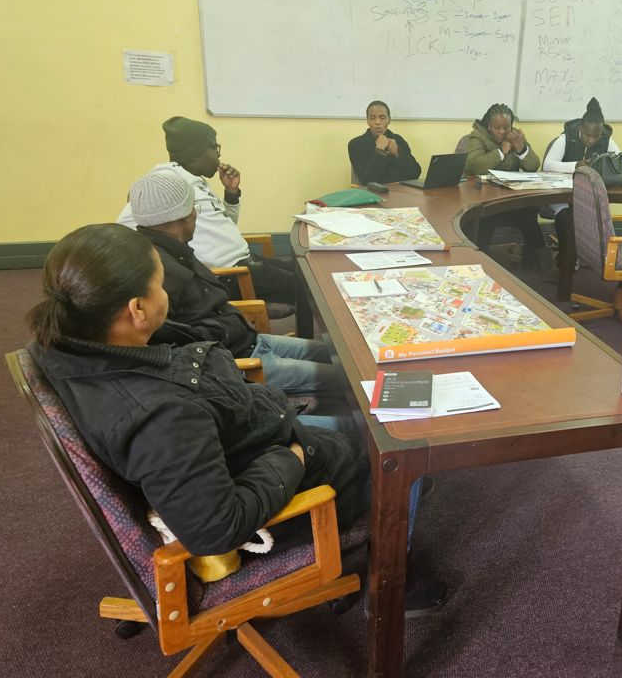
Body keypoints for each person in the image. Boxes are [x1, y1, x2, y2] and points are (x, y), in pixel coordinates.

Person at [27, 224, 446, 614]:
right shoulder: (160, 418)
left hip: (249, 441)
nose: (166, 294)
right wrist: (293, 457)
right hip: (282, 484)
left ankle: (395, 490)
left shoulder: (77, 344)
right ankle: (392, 586)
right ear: (136, 308)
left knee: (367, 426)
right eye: (160, 286)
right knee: (401, 452)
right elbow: (216, 528)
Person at [126, 170, 342, 398]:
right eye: (195, 208)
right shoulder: (161, 273)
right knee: (345, 378)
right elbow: (184, 344)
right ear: (185, 215)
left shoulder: (168, 250)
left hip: (251, 341)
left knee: (336, 354)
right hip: (239, 361)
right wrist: (229, 328)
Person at [118, 116, 296, 310]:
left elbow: (224, 226)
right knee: (307, 288)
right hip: (230, 276)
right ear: (195, 153)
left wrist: (231, 193)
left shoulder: (194, 181)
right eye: (214, 148)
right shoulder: (167, 185)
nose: (218, 156)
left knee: (303, 271)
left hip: (245, 261)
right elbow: (126, 227)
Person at [463, 103, 556, 278]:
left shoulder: (515, 137)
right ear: (488, 126)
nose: (502, 132)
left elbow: (533, 166)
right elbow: (474, 165)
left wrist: (522, 148)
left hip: (510, 197)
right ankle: (480, 264)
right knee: (486, 215)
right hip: (484, 198)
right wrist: (501, 152)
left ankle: (541, 263)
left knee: (529, 212)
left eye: (506, 127)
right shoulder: (477, 137)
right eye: (497, 128)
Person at [542, 97, 621, 247]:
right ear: (580, 129)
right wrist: (576, 165)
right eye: (587, 135)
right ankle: (566, 256)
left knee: (598, 218)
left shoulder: (606, 141)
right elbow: (547, 165)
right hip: (562, 196)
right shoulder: (566, 138)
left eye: (596, 136)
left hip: (588, 196)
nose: (591, 140)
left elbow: (620, 166)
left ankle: (594, 255)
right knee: (566, 216)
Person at [347, 100, 421, 185]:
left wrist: (397, 152)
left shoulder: (398, 140)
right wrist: (379, 151)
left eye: (382, 118)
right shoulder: (356, 144)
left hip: (402, 190)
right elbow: (368, 181)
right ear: (367, 121)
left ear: (389, 120)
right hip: (375, 192)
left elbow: (415, 174)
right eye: (372, 118)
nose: (377, 122)